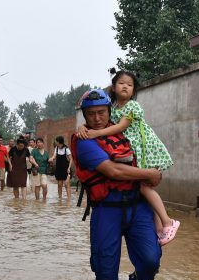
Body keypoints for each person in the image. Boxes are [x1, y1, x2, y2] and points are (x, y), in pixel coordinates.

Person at [71, 88, 163, 280]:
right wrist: (150, 175)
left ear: (109, 111)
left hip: (137, 206)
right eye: (91, 114)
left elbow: (146, 144)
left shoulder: (125, 132)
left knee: (151, 260)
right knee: (105, 269)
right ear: (84, 116)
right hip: (106, 209)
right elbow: (114, 172)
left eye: (101, 112)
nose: (97, 118)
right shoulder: (84, 141)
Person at [77, 71, 179, 246]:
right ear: (113, 87)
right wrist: (82, 126)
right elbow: (102, 122)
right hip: (128, 151)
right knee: (141, 189)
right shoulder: (113, 108)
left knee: (144, 187)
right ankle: (158, 229)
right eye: (121, 83)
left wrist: (96, 133)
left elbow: (121, 126)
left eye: (130, 85)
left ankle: (168, 221)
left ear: (133, 90)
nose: (125, 86)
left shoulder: (133, 106)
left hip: (142, 149)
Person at [49, 136, 73, 200]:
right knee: (59, 185)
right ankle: (60, 199)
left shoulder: (66, 149)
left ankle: (69, 199)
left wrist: (69, 168)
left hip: (66, 169)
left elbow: (71, 159)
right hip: (58, 169)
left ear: (59, 142)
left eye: (56, 141)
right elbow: (54, 156)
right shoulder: (56, 148)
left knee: (66, 185)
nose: (55, 142)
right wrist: (51, 159)